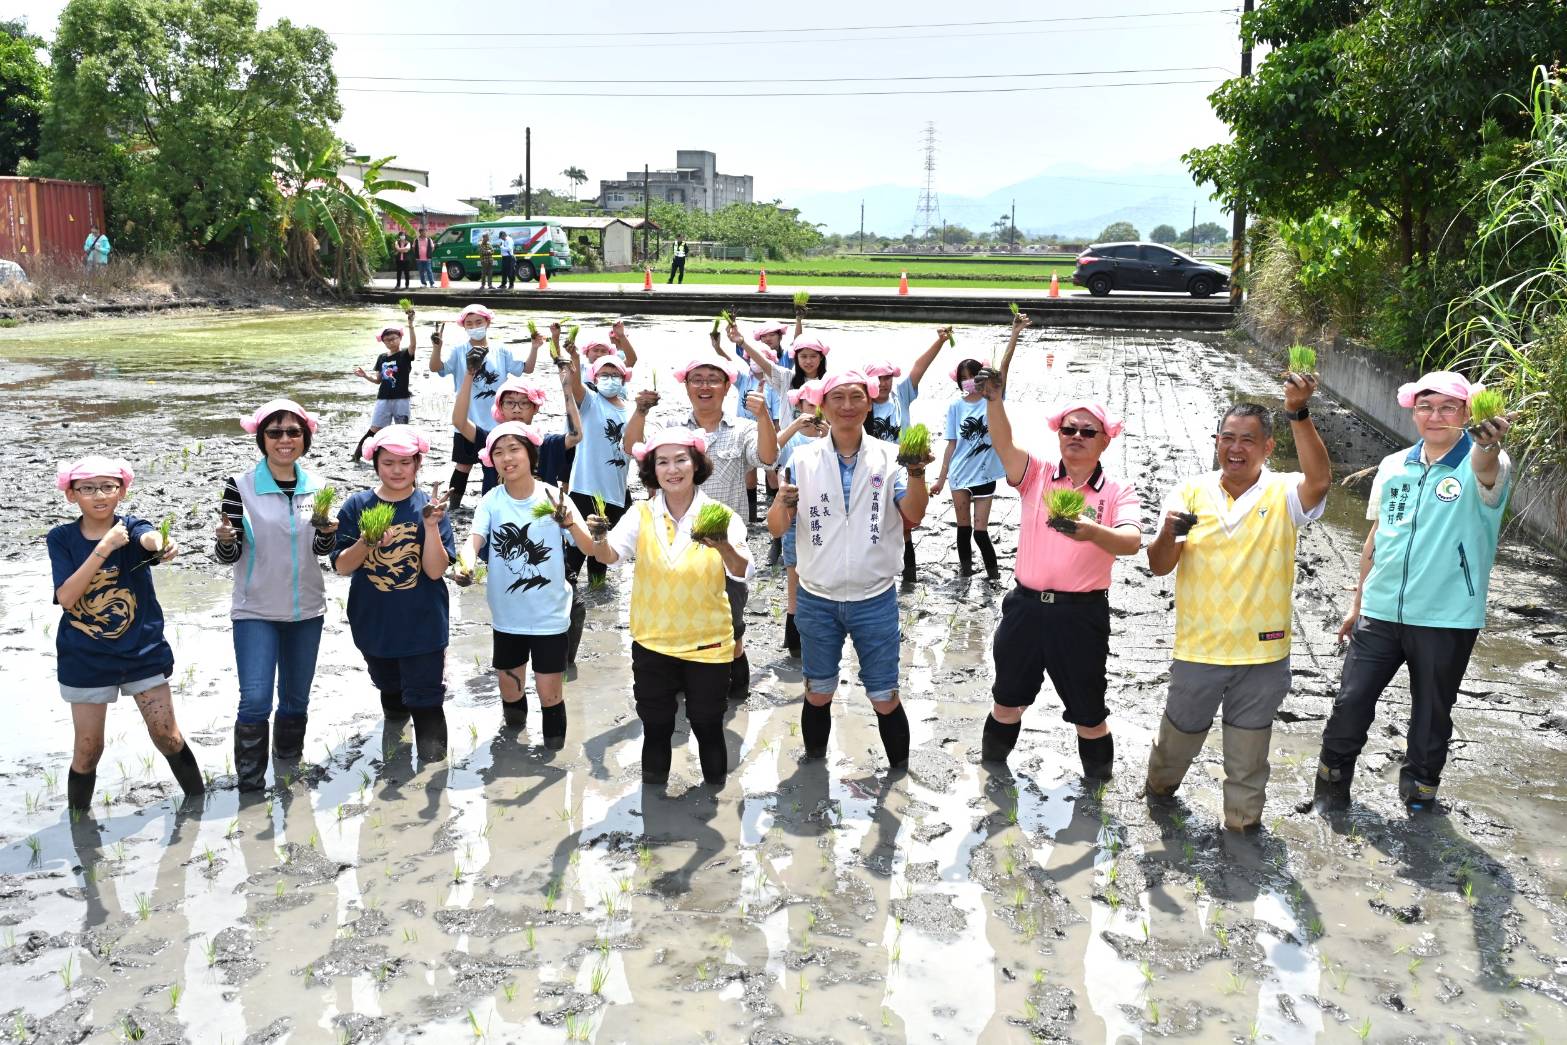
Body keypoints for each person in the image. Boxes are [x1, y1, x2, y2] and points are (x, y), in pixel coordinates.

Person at [1302, 371, 1512, 813]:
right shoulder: (1395, 464)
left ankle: (1419, 797)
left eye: (1447, 408)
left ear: (1467, 413)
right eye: (1425, 407)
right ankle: (1330, 787)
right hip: (1379, 612)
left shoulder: (1482, 462)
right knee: (1350, 703)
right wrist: (1357, 602)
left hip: (1445, 617)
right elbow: (1378, 536)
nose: (1435, 416)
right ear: (1413, 411)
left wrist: (1488, 444)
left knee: (1431, 715)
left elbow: (1486, 467)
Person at [1142, 374, 1331, 832]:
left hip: (1263, 653)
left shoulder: (1284, 493)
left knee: (1248, 759)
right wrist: (1169, 531)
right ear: (1215, 442)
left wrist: (1298, 413)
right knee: (1176, 742)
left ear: (1268, 447)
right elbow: (1161, 565)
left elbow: (1320, 481)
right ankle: (1158, 794)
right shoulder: (1190, 492)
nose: (1235, 448)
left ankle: (1243, 831)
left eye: (1248, 440)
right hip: (1199, 649)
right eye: (1227, 438)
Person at [972, 379, 1143, 777]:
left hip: (1080, 616)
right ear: (1059, 435)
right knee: (1007, 702)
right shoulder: (1037, 475)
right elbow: (1003, 443)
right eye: (1069, 429)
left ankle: (1097, 789)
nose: (1077, 437)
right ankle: (991, 777)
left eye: (1088, 431)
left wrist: (1090, 531)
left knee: (1088, 714)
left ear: (1105, 441)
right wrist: (994, 401)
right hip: (1025, 610)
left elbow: (1131, 541)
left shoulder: (1117, 490)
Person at [767, 370, 932, 770]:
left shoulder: (889, 456)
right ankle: (813, 766)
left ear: (869, 402)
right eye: (836, 397)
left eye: (856, 397)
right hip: (816, 598)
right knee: (818, 691)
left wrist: (916, 473)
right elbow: (775, 529)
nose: (846, 406)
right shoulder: (802, 458)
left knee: (884, 695)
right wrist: (782, 503)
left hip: (874, 598)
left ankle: (899, 777)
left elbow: (913, 513)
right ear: (821, 404)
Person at [589, 428, 753, 788]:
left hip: (709, 644)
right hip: (652, 641)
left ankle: (716, 804)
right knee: (657, 725)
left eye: (681, 459)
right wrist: (597, 536)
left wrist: (723, 545)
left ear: (696, 464)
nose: (672, 469)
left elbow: (742, 571)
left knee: (708, 724)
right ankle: (654, 813)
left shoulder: (720, 514)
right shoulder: (641, 514)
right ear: (652, 471)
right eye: (662, 462)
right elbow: (611, 556)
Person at [50, 457, 204, 811]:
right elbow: (67, 597)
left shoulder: (131, 528)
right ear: (71, 495)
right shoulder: (62, 539)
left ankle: (198, 807)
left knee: (167, 735)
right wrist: (104, 547)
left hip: (141, 652)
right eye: (88, 488)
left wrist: (160, 543)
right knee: (88, 750)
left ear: (122, 491)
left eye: (108, 487)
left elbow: (148, 538)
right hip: (85, 658)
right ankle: (79, 828)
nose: (99, 495)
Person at [623, 354, 778, 700]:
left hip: (722, 549)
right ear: (686, 386)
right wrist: (641, 411)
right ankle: (678, 681)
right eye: (697, 379)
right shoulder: (672, 430)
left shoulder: (742, 429)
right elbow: (630, 447)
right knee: (670, 619)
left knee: (731, 626)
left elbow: (768, 459)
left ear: (727, 387)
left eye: (713, 379)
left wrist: (764, 414)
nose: (704, 386)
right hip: (670, 547)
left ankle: (733, 687)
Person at [214, 400, 338, 792]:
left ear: (305, 438)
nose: (285, 440)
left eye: (293, 432)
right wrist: (224, 541)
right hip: (256, 610)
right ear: (261, 439)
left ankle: (288, 773)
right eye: (275, 433)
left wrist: (329, 533)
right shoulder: (240, 486)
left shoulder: (317, 486)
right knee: (254, 701)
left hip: (307, 611)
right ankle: (250, 787)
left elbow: (320, 551)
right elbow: (227, 556)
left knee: (295, 702)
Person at [455, 422, 598, 749]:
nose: (507, 458)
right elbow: (473, 542)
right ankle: (512, 750)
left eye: (514, 449)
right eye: (499, 452)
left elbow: (589, 548)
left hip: (550, 616)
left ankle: (553, 759)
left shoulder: (553, 497)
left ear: (531, 454)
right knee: (510, 690)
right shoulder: (492, 501)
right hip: (507, 616)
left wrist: (571, 523)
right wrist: (464, 564)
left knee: (550, 694)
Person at [332, 426, 455, 765]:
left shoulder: (429, 508)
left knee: (427, 701)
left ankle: (433, 778)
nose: (397, 470)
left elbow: (434, 571)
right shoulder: (357, 505)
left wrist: (431, 527)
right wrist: (367, 542)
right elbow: (342, 567)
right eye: (388, 463)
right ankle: (395, 768)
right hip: (374, 625)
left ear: (418, 464)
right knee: (392, 696)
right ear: (375, 463)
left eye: (405, 462)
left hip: (424, 626)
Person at [930, 312, 1029, 579]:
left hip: (985, 474)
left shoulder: (993, 399)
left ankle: (994, 574)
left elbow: (1004, 369)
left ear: (981, 378)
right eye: (963, 377)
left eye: (972, 376)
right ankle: (965, 573)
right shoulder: (955, 406)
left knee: (980, 530)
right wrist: (940, 479)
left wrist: (1014, 334)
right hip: (960, 474)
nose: (968, 381)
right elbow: (951, 444)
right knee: (962, 529)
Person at [865, 326, 953, 581]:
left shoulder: (899, 395)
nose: (883, 383)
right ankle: (875, 575)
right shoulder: (861, 403)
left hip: (903, 471)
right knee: (874, 522)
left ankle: (909, 577)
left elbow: (919, 368)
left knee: (905, 526)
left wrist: (939, 342)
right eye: (878, 379)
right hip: (873, 471)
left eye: (887, 378)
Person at [430, 304, 538, 511]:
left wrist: (534, 347)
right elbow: (436, 368)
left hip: (497, 424)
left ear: (488, 322)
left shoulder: (502, 351)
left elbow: (527, 368)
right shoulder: (459, 351)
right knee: (463, 465)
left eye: (478, 322)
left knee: (498, 467)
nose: (474, 327)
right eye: (469, 324)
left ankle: (497, 506)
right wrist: (437, 347)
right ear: (463, 327)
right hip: (467, 421)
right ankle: (453, 507)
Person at [563, 335, 635, 586]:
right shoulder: (591, 402)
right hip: (584, 490)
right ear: (594, 378)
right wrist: (574, 358)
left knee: (600, 560)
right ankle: (565, 602)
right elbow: (574, 386)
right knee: (573, 555)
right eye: (603, 374)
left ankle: (596, 604)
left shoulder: (631, 410)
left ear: (624, 379)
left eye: (615, 374)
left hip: (615, 494)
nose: (609, 379)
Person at [448, 329, 551, 494]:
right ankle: (452, 507)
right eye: (510, 403)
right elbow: (459, 422)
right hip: (497, 515)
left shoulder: (547, 443)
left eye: (524, 403)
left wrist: (567, 384)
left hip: (535, 511)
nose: (517, 410)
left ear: (535, 408)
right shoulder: (490, 438)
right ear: (501, 408)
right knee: (462, 465)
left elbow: (576, 436)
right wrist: (469, 374)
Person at [775, 381, 829, 657]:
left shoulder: (832, 437)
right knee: (794, 577)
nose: (815, 413)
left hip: (826, 517)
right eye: (810, 406)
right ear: (800, 406)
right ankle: (794, 643)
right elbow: (771, 456)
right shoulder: (793, 438)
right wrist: (795, 427)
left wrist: (830, 436)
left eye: (821, 406)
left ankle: (820, 636)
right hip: (796, 518)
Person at [351, 307, 421, 463]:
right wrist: (365, 376)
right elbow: (378, 380)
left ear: (400, 338)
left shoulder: (404, 355)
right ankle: (357, 456)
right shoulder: (382, 358)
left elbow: (413, 345)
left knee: (402, 429)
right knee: (375, 429)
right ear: (383, 342)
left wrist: (411, 324)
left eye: (394, 338)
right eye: (387, 340)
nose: (391, 341)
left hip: (402, 398)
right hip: (383, 399)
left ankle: (405, 457)